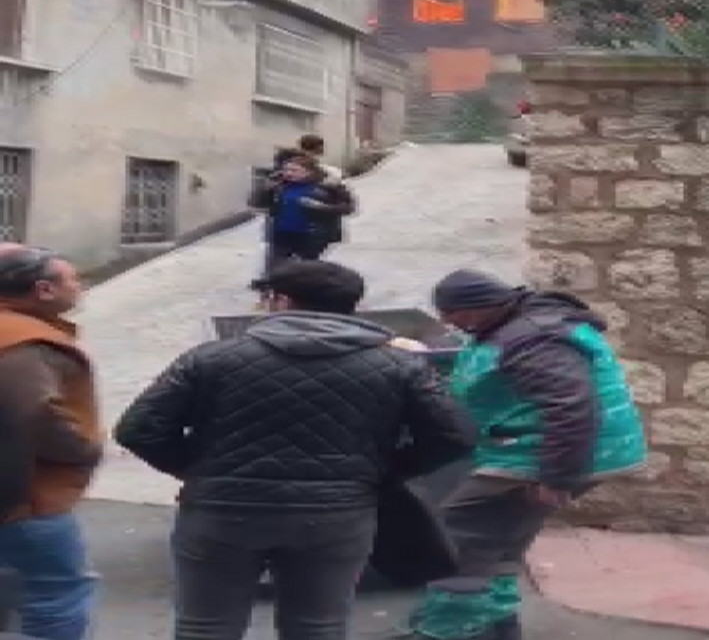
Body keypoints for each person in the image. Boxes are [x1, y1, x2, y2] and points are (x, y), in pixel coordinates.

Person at [114, 260, 474, 640]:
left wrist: (198, 469)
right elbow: (455, 435)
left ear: (281, 301)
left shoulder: (210, 358)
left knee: (207, 626)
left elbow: (139, 429)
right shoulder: (399, 366)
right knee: (317, 626)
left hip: (223, 510)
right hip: (337, 513)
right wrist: (381, 472)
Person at [406, 270, 647, 640]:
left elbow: (570, 406)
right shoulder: (518, 325)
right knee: (503, 535)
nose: (447, 321)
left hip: (543, 453)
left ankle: (452, 627)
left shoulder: (534, 338)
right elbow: (492, 368)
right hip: (565, 448)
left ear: (479, 306)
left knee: (457, 532)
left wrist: (557, 477)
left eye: (451, 312)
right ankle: (497, 623)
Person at [0, 244, 102, 640]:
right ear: (43, 289)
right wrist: (83, 448)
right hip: (27, 495)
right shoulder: (22, 342)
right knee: (58, 594)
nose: (80, 286)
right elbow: (36, 415)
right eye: (74, 279)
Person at [250, 154, 354, 277]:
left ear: (308, 172)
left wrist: (321, 207)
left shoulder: (329, 186)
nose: (288, 173)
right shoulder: (280, 185)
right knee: (273, 270)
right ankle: (273, 290)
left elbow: (348, 208)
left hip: (311, 236)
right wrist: (265, 189)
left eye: (294, 170)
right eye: (286, 170)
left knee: (303, 271)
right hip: (281, 234)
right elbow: (256, 203)